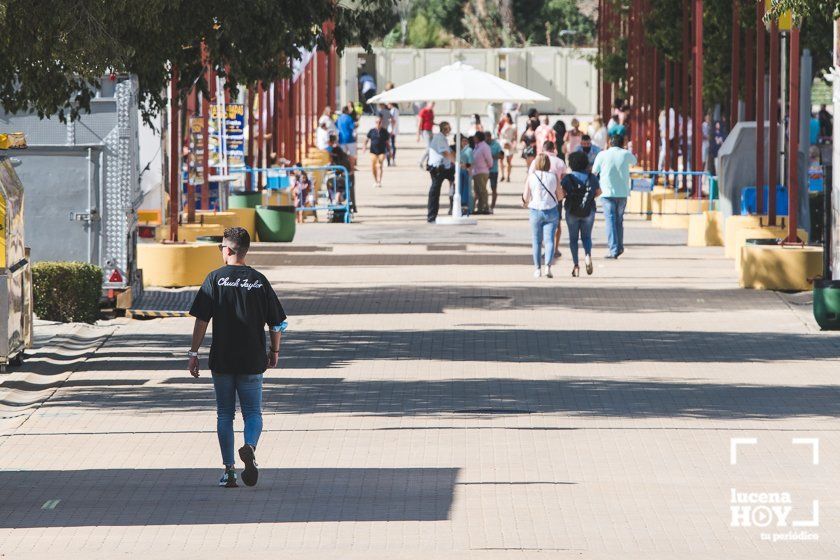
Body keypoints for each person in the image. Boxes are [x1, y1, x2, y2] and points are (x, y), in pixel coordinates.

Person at [188, 227, 287, 488]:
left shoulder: (214, 279)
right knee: (253, 411)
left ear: (229, 250)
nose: (221, 250)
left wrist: (193, 352)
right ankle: (250, 446)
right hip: (253, 358)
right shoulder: (259, 281)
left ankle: (229, 471)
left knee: (224, 414)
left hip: (222, 359)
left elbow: (201, 321)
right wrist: (274, 352)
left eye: (222, 246)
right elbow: (276, 323)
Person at [592, 134, 637, 259]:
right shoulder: (625, 154)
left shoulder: (602, 154)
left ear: (609, 143)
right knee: (619, 221)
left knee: (610, 221)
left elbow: (594, 171)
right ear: (623, 143)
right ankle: (619, 246)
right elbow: (634, 161)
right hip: (622, 193)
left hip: (606, 193)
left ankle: (614, 249)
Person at [522, 153, 563, 279]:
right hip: (551, 209)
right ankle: (548, 267)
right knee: (550, 240)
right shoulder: (554, 176)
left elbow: (525, 197)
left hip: (535, 210)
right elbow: (560, 195)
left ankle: (537, 269)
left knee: (536, 241)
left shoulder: (531, 177)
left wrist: (525, 203)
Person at [562, 152, 601, 277]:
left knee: (573, 239)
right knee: (586, 237)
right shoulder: (592, 177)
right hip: (588, 210)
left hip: (572, 211)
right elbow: (599, 192)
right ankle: (588, 255)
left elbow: (562, 194)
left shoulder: (568, 178)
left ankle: (576, 266)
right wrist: (589, 198)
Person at [528, 140, 567, 259]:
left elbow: (529, 179)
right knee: (556, 223)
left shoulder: (535, 161)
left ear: (543, 149)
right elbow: (564, 180)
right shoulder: (560, 162)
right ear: (554, 149)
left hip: (537, 200)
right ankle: (555, 248)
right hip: (554, 198)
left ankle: (540, 259)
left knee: (537, 234)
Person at [426, 121, 453, 222]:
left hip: (444, 167)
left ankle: (453, 207)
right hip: (438, 168)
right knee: (435, 191)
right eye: (447, 128)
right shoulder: (440, 138)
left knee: (454, 183)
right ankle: (431, 216)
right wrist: (456, 161)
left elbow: (448, 152)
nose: (449, 130)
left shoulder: (442, 138)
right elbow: (445, 153)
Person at [327, 135, 355, 212]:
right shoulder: (339, 150)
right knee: (345, 188)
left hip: (340, 175)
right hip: (343, 174)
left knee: (336, 187)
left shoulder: (332, 150)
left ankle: (335, 200)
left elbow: (330, 162)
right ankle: (350, 205)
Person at [362, 115, 389, 188]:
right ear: (375, 122)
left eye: (380, 122)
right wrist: (364, 147)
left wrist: (389, 151)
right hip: (373, 151)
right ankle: (375, 181)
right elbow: (366, 139)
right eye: (377, 122)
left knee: (379, 165)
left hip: (382, 152)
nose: (378, 123)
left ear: (381, 123)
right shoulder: (372, 131)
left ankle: (379, 181)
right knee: (373, 167)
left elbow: (387, 142)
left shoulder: (384, 131)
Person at [471, 131, 493, 214]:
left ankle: (485, 207)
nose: (474, 138)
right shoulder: (477, 147)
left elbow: (489, 159)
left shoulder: (484, 147)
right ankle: (480, 208)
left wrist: (488, 166)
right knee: (477, 191)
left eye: (475, 137)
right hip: (476, 172)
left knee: (482, 190)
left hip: (482, 171)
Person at [486, 130, 503, 213]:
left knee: (493, 189)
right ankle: (484, 206)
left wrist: (491, 157)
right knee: (482, 189)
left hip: (493, 170)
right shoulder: (482, 144)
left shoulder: (496, 144)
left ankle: (492, 207)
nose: (487, 139)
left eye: (488, 137)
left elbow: (501, 155)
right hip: (484, 170)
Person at [457, 134, 474, 216]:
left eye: (465, 141)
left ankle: (468, 208)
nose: (464, 142)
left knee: (467, 191)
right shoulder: (461, 150)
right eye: (463, 141)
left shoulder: (469, 150)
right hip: (460, 171)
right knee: (461, 190)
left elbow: (471, 162)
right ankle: (462, 207)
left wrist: (464, 166)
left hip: (466, 171)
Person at [499, 113, 517, 182]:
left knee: (508, 161)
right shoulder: (502, 124)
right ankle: (502, 175)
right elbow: (499, 134)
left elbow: (515, 136)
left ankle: (508, 176)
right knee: (500, 160)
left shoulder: (513, 126)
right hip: (502, 143)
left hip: (509, 143)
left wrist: (513, 144)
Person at [417, 101, 435, 168]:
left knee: (432, 148)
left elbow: (431, 121)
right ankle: (420, 161)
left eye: (433, 105)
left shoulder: (431, 112)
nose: (432, 106)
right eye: (431, 104)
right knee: (428, 148)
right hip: (425, 131)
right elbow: (420, 123)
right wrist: (418, 135)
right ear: (428, 104)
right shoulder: (423, 111)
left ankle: (429, 162)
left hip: (430, 131)